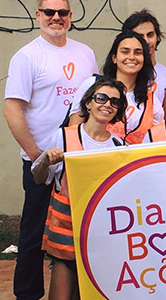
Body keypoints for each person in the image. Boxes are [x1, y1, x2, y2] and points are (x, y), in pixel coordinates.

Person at [3, 0, 99, 300]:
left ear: (71, 17)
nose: (55, 18)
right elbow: (12, 108)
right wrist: (35, 154)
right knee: (33, 234)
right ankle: (28, 294)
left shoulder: (85, 53)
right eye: (49, 12)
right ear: (38, 15)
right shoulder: (27, 56)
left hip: (78, 162)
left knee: (81, 233)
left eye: (62, 13)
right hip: (43, 161)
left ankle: (79, 293)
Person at [32, 78, 126, 300]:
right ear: (88, 103)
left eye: (114, 101)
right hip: (67, 234)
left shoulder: (119, 147)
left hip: (101, 237)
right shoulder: (64, 136)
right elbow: (38, 178)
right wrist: (46, 160)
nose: (107, 104)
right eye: (101, 98)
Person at [69, 31, 163, 144]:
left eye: (138, 53)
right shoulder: (93, 85)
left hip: (133, 161)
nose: (131, 57)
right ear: (114, 58)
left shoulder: (151, 100)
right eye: (125, 52)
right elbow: (74, 132)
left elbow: (157, 140)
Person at [121, 8, 166, 118]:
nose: (146, 41)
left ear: (157, 37)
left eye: (150, 35)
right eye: (140, 36)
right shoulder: (120, 74)